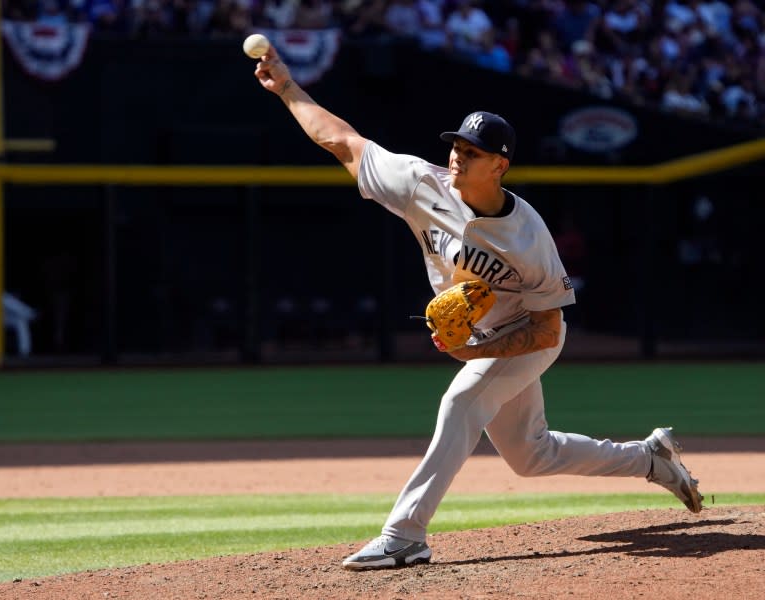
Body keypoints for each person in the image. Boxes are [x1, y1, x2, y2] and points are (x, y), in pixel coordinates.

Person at [251, 43, 704, 571]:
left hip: (527, 335)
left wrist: (478, 350)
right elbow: (343, 142)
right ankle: (651, 459)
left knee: (461, 403)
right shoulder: (420, 185)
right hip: (485, 338)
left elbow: (547, 326)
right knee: (533, 456)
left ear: (500, 166)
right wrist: (286, 86)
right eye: (457, 147)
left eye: (472, 152)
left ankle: (404, 535)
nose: (457, 157)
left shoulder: (529, 237)